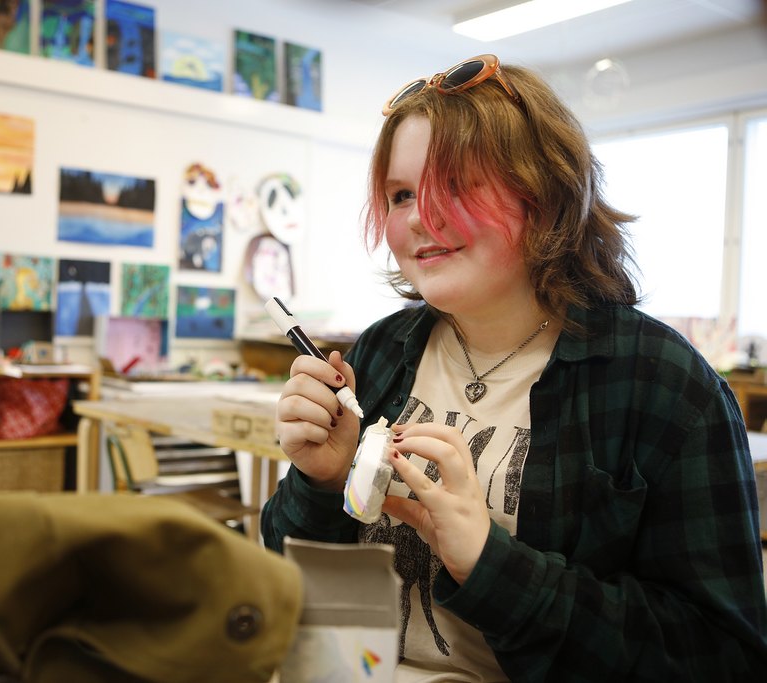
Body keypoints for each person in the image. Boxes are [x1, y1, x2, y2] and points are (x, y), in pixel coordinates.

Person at [261, 54, 767, 681]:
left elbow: (721, 658)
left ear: (545, 191)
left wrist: (489, 564)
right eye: (399, 195)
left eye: (457, 185)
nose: (420, 217)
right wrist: (320, 483)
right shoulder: (382, 352)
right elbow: (294, 579)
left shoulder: (663, 385)